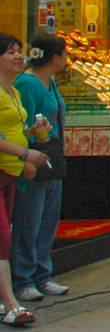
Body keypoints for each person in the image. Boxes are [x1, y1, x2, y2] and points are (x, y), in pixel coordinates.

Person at [0, 35, 53, 328]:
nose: (19, 56)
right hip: (5, 170)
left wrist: (33, 131)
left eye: (19, 51)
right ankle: (12, 304)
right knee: (3, 239)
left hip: (10, 174)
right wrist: (25, 153)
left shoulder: (13, 92)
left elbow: (13, 130)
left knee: (4, 235)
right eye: (11, 52)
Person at [13, 35, 69, 304]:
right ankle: (23, 278)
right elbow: (22, 123)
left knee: (48, 217)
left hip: (53, 153)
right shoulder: (27, 83)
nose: (66, 58)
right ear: (54, 57)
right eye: (64, 53)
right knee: (29, 218)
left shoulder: (52, 83)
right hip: (35, 153)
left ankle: (42, 273)